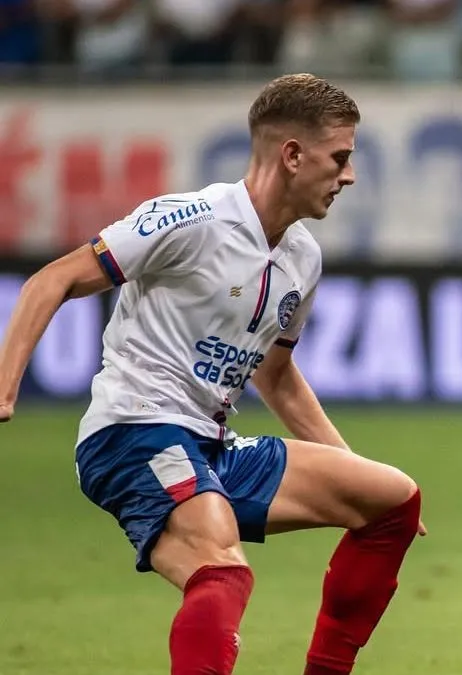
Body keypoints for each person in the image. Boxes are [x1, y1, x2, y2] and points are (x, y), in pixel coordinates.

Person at [0, 74, 425, 675]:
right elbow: (54, 279)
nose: (349, 175)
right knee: (220, 567)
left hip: (210, 445)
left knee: (391, 502)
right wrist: (5, 386)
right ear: (293, 155)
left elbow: (276, 376)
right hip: (130, 433)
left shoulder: (302, 257)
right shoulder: (190, 220)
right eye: (340, 157)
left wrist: (350, 467)